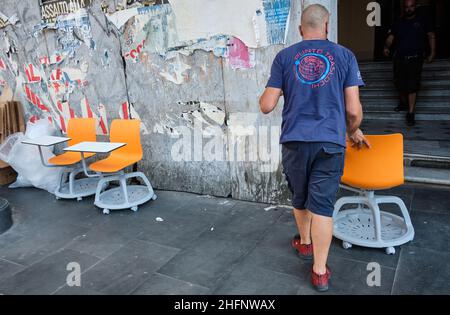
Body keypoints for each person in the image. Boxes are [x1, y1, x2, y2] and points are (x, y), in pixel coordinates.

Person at [259, 4, 370, 292]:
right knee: (322, 205)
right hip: (330, 141)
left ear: (300, 29)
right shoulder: (345, 56)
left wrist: (283, 85)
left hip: (295, 140)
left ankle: (305, 243)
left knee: (299, 195)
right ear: (327, 25)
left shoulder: (284, 57)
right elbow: (354, 109)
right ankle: (319, 272)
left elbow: (266, 105)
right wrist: (353, 130)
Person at [383, 0, 436, 126]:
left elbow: (431, 36)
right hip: (400, 58)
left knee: (412, 84)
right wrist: (386, 47)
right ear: (404, 8)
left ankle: (410, 113)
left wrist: (432, 52)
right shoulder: (398, 22)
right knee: (398, 82)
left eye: (411, 6)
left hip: (416, 57)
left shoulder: (423, 20)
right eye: (406, 7)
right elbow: (391, 37)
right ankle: (403, 103)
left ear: (415, 6)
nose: (409, 9)